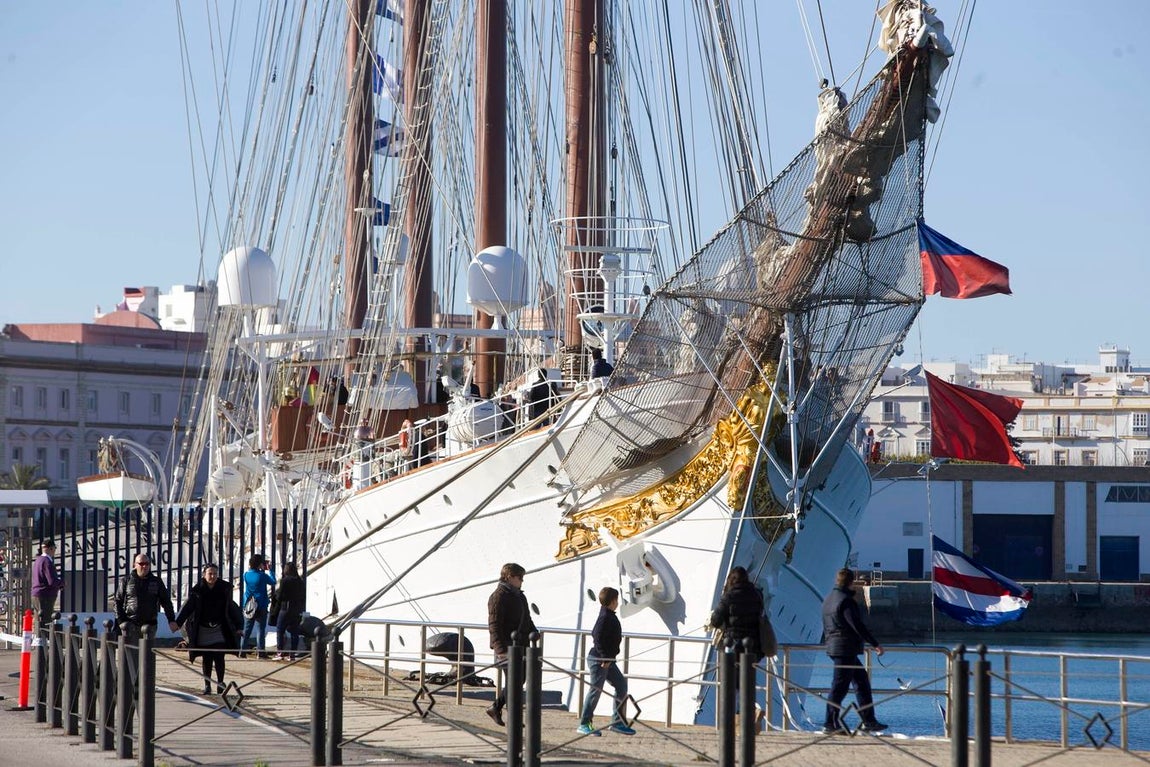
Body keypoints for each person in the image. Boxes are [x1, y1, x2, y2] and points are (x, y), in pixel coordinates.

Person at [821, 567, 888, 734]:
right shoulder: (846, 601)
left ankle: (869, 720)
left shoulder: (828, 599)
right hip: (845, 648)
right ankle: (830, 723)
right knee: (840, 686)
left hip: (834, 646)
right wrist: (875, 643)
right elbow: (856, 625)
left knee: (861, 682)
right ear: (851, 582)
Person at [172, 563, 239, 695]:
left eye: (215, 573)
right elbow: (188, 608)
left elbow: (231, 608)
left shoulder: (224, 589)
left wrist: (239, 626)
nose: (212, 576)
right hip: (203, 629)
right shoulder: (197, 591)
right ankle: (207, 685)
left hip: (219, 628)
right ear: (204, 575)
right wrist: (177, 623)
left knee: (220, 656)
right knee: (207, 658)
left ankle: (220, 682)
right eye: (210, 574)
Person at [577, 587, 635, 736]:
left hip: (607, 660)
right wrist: (605, 658)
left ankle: (617, 723)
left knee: (621, 685)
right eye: (617, 599)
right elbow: (596, 636)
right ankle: (584, 723)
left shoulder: (608, 615)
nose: (618, 602)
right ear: (613, 601)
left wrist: (608, 658)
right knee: (595, 691)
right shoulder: (605, 617)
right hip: (600, 660)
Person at [485, 562, 537, 727]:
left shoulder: (520, 596)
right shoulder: (498, 597)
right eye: (519, 577)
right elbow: (494, 624)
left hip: (521, 645)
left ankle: (496, 707)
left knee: (519, 679)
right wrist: (500, 649)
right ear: (509, 577)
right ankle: (514, 718)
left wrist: (534, 633)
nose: (522, 581)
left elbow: (527, 618)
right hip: (506, 647)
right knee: (515, 681)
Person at [113, 553, 177, 644]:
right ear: (135, 565)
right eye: (141, 564)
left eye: (147, 564)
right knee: (132, 654)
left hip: (150, 624)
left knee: (147, 655)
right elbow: (117, 602)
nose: (144, 566)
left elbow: (166, 602)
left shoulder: (156, 581)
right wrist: (121, 621)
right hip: (131, 624)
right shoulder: (126, 581)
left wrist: (171, 620)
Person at [240, 554, 277, 657]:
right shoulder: (262, 576)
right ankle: (260, 652)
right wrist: (270, 570)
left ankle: (242, 651)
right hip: (261, 605)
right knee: (260, 629)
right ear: (259, 564)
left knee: (246, 630)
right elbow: (273, 582)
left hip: (248, 605)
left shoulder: (246, 575)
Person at [272, 562, 306, 659]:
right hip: (296, 609)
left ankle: (280, 652)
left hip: (285, 608)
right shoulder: (300, 581)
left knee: (280, 629)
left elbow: (280, 596)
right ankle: (292, 653)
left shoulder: (285, 581)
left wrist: (275, 608)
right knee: (294, 631)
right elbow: (302, 596)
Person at [31, 540, 64, 629]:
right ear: (51, 548)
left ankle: (38, 640)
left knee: (39, 620)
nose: (54, 551)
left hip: (36, 593)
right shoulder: (47, 561)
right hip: (45, 595)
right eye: (55, 548)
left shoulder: (38, 560)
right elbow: (51, 581)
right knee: (46, 622)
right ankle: (45, 641)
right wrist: (62, 583)